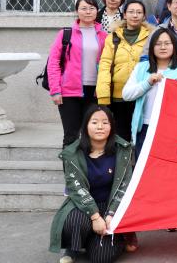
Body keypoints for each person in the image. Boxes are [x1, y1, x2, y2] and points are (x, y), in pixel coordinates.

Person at [49, 105, 133, 263]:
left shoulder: (123, 150)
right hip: (83, 204)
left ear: (111, 126)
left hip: (110, 205)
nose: (100, 126)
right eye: (94, 122)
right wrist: (95, 217)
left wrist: (111, 214)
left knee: (101, 257)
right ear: (86, 126)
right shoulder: (72, 153)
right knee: (74, 221)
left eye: (105, 122)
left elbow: (125, 185)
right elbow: (76, 188)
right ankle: (73, 247)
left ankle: (119, 237)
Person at [123, 28, 177, 159]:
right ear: (152, 47)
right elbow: (126, 94)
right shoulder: (142, 67)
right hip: (145, 126)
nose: (163, 47)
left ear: (174, 46)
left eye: (167, 43)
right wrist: (147, 83)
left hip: (173, 128)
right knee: (144, 165)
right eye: (158, 44)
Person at [48, 0, 108, 147]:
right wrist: (55, 90)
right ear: (77, 11)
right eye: (84, 8)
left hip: (95, 92)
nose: (88, 12)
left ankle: (88, 163)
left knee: (92, 135)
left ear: (97, 11)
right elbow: (53, 62)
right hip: (69, 92)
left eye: (92, 8)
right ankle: (70, 163)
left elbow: (108, 64)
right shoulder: (65, 34)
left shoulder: (104, 36)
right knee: (71, 135)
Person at [96, 0, 153, 142]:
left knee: (141, 135)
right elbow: (105, 66)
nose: (135, 15)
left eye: (139, 12)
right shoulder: (113, 37)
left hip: (142, 93)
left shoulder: (151, 37)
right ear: (125, 15)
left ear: (144, 16)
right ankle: (124, 158)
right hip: (118, 95)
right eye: (131, 12)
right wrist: (103, 96)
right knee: (121, 137)